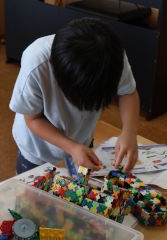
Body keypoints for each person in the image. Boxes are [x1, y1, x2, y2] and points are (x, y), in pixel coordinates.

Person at [10, 17, 140, 174]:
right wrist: (71, 146)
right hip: (38, 149)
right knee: (32, 197)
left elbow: (128, 92)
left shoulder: (112, 56)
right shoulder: (36, 64)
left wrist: (129, 132)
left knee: (81, 191)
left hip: (82, 140)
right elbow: (32, 119)